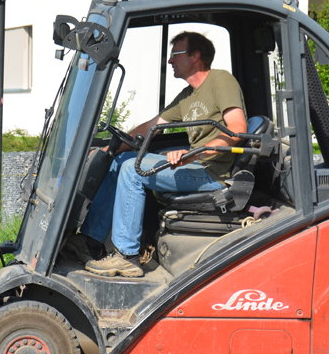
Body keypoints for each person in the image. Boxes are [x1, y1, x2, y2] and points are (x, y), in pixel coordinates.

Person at [65, 31, 247, 277]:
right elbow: (152, 126)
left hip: (211, 173)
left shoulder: (220, 80)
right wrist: (111, 149)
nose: (170, 60)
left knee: (133, 170)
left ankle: (127, 256)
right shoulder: (187, 96)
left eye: (175, 54)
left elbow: (238, 129)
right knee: (120, 161)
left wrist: (193, 154)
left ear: (195, 56)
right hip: (194, 165)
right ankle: (90, 240)